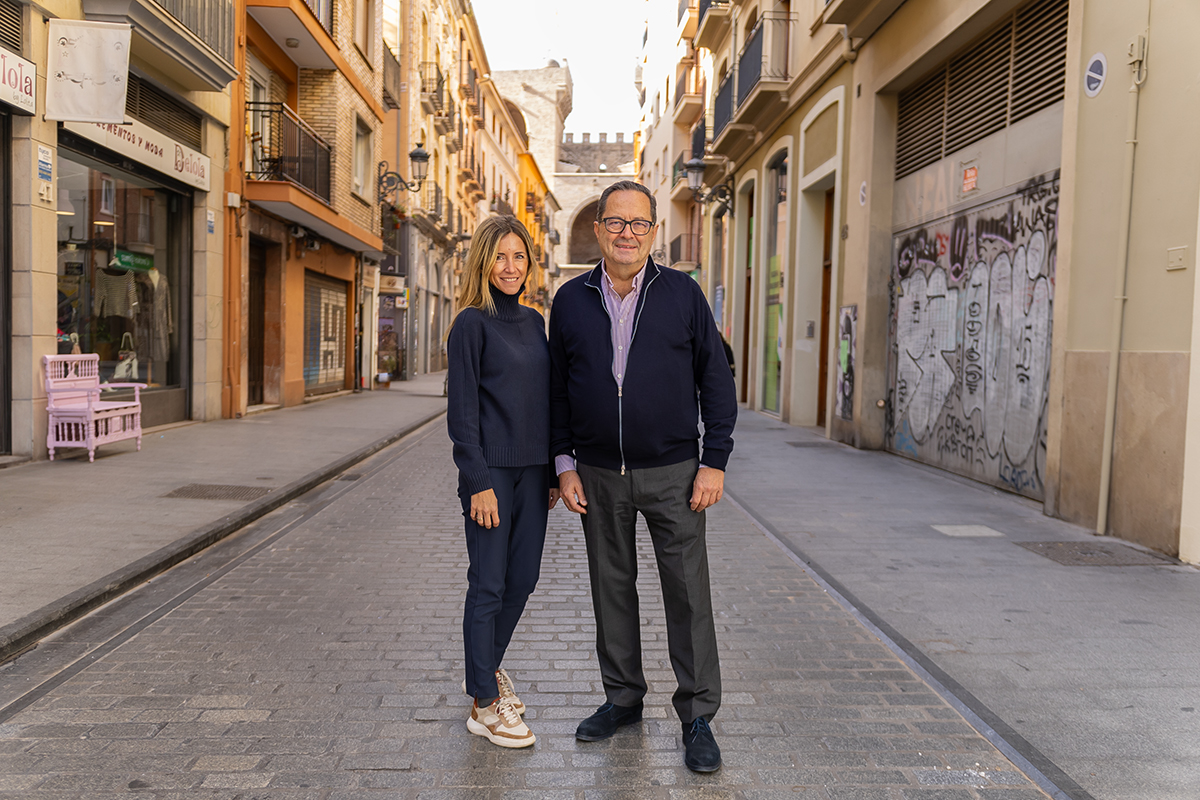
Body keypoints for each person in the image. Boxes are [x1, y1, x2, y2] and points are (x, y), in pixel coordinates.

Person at [548, 180, 737, 772]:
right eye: (615, 222)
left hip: (675, 473)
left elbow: (716, 380)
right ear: (598, 228)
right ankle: (623, 699)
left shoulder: (683, 293)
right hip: (598, 473)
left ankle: (698, 715)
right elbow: (557, 390)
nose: (626, 233)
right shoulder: (570, 299)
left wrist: (714, 460)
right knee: (611, 588)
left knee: (687, 593)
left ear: (653, 231)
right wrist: (563, 465)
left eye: (638, 224)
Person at [446, 215, 559, 749]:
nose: (511, 267)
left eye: (519, 256)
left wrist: (554, 471)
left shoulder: (535, 322)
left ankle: (484, 674)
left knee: (524, 579)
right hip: (490, 475)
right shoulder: (471, 324)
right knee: (488, 583)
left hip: (534, 475)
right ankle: (486, 703)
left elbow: (545, 401)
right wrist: (477, 480)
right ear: (483, 262)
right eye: (500, 257)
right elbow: (462, 412)